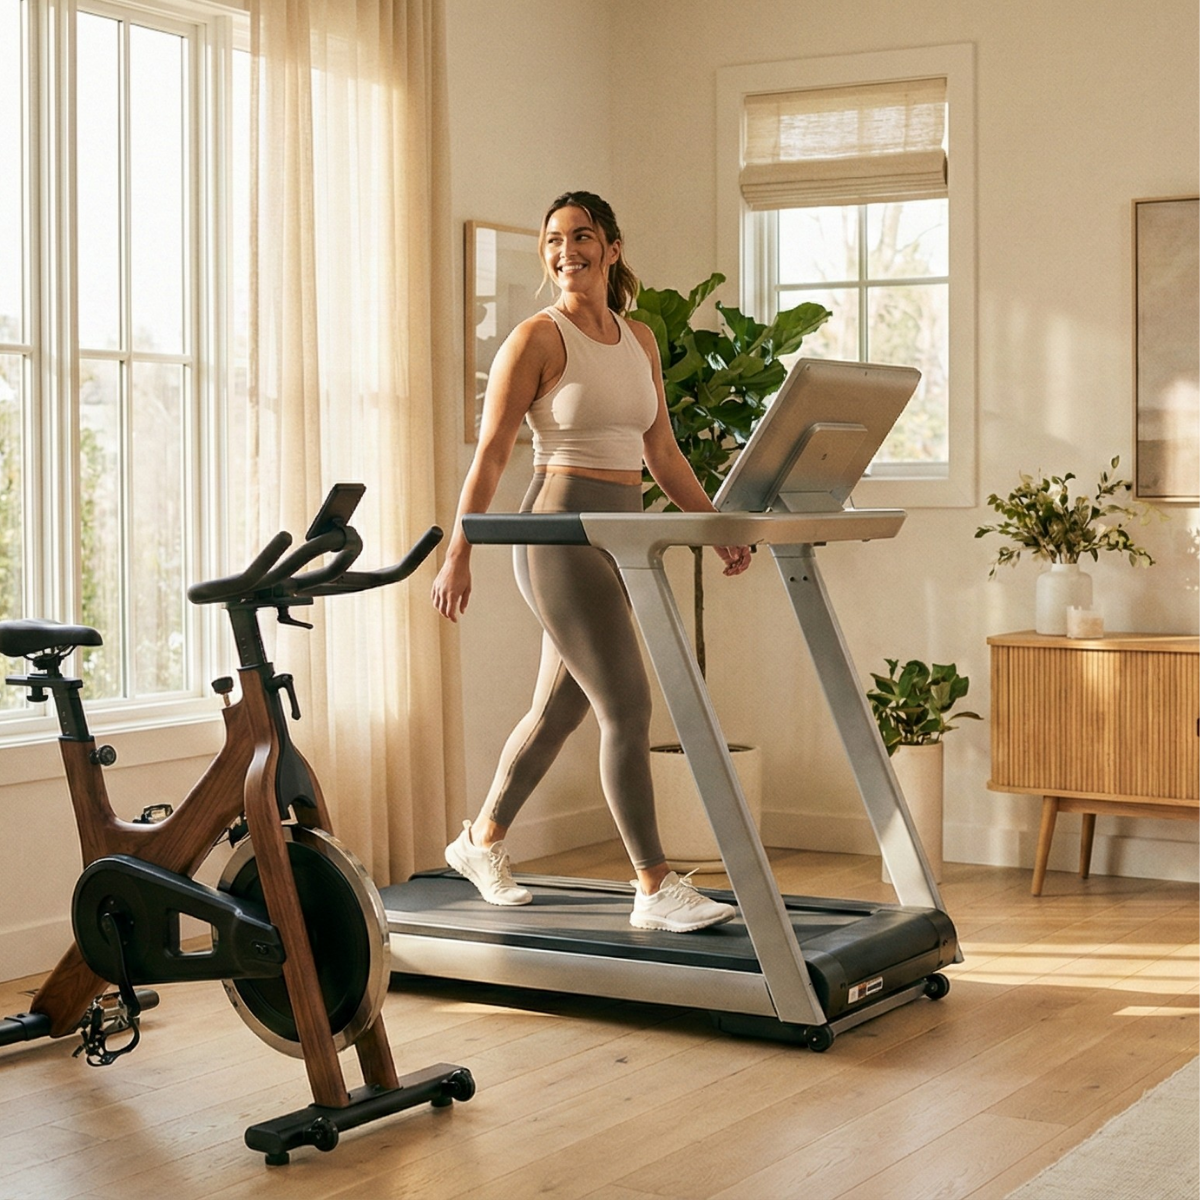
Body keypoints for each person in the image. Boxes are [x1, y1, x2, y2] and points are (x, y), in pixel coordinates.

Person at [431, 190, 751, 933]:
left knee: (559, 710)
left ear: (611, 246)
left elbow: (661, 451)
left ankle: (480, 841)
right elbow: (493, 456)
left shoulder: (637, 339)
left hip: (623, 540)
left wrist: (715, 527)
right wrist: (460, 552)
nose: (565, 249)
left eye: (580, 236)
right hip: (557, 536)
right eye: (553, 239)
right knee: (628, 705)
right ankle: (652, 885)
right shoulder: (537, 339)